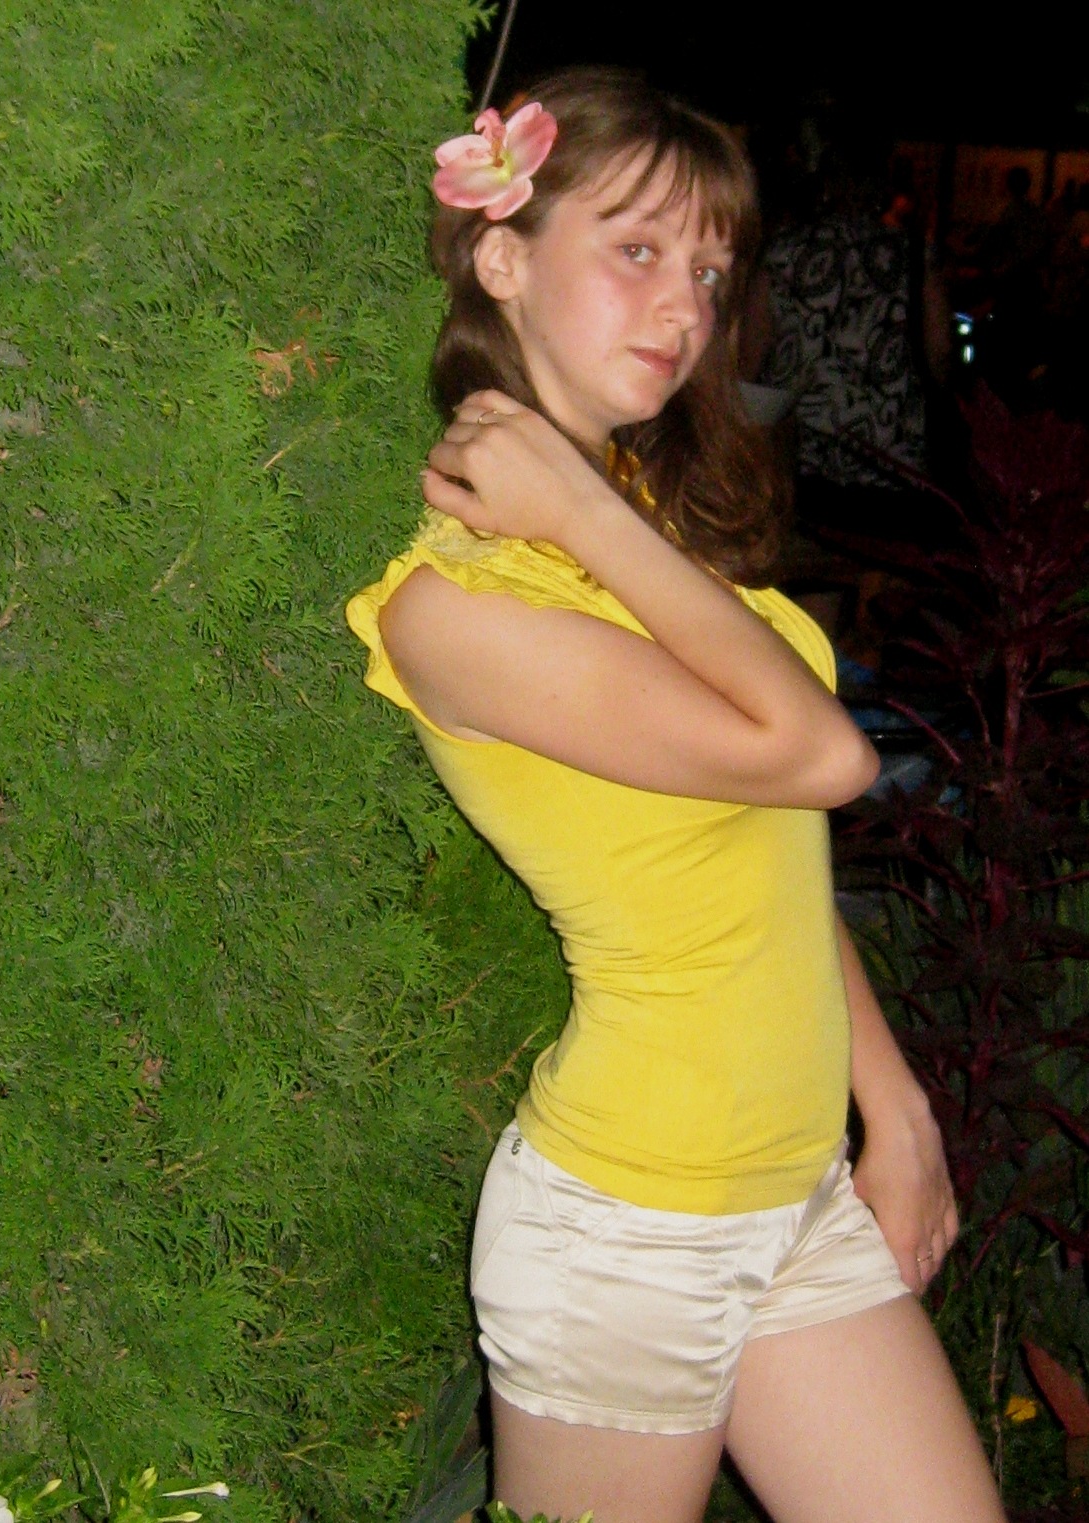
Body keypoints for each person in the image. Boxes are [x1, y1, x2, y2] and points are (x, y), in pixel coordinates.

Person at [346, 68, 1006, 1523]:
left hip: (793, 1195)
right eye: (636, 250)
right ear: (502, 259)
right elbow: (823, 759)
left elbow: (760, 843)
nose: (685, 308)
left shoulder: (632, 530)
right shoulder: (456, 603)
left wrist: (892, 1111)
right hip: (630, 1230)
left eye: (708, 271)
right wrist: (584, 510)